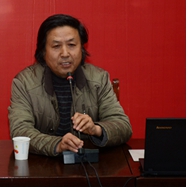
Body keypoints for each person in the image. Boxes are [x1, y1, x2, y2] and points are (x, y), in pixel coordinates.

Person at [8, 14, 132, 157]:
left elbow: (123, 126)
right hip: (42, 163)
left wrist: (96, 129)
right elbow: (20, 131)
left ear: (82, 48)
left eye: (71, 45)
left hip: (89, 163)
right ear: (43, 51)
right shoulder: (24, 82)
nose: (65, 53)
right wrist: (57, 144)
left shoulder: (99, 79)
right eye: (56, 46)